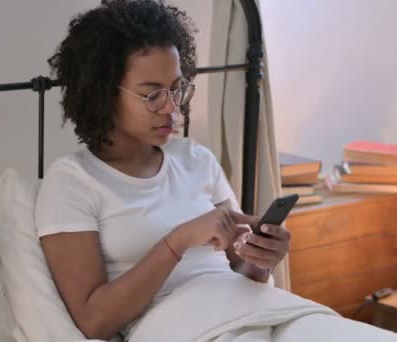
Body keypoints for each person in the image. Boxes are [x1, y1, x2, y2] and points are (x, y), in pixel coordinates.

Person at [36, 0, 290, 340]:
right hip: (178, 328)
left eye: (176, 88)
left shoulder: (196, 159)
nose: (172, 107)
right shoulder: (72, 182)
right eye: (152, 94)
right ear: (102, 94)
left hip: (246, 310)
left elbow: (241, 271)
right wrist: (179, 239)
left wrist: (262, 258)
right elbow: (93, 321)